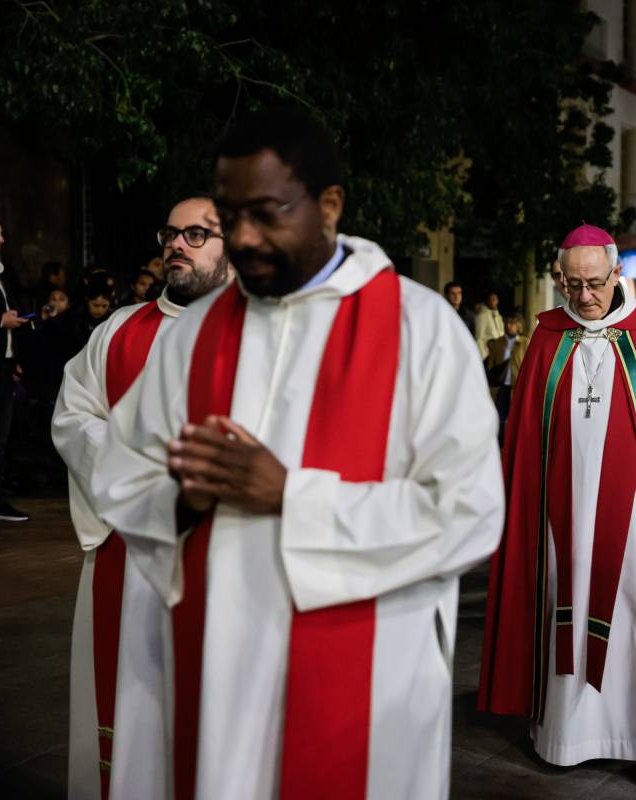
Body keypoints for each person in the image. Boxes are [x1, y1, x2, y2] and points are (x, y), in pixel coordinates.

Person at [90, 107, 503, 799]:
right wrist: (183, 498)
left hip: (362, 681)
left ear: (329, 205)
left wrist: (292, 495)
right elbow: (121, 473)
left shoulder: (419, 329)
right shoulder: (192, 338)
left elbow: (470, 513)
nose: (244, 237)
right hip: (214, 670)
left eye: (267, 212)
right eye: (230, 213)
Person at [479, 223, 636, 787]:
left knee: (633, 611)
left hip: (634, 517)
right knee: (562, 601)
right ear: (560, 279)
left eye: (595, 283)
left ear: (616, 274)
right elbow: (524, 438)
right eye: (571, 285)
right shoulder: (548, 337)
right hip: (559, 516)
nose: (584, 297)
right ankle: (564, 734)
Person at [53, 196, 232, 799]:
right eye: (171, 233)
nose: (176, 244)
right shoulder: (119, 331)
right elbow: (73, 415)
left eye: (196, 234)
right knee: (133, 711)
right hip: (129, 563)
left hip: (231, 565)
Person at [0, 215, 30, 521]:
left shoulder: (0, 276)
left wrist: (12, 356)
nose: (1, 239)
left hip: (3, 367)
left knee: (1, 436)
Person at [485, 313, 528, 443]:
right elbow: (490, 366)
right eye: (507, 323)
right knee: (499, 416)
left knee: (517, 417)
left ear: (518, 326)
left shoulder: (525, 343)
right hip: (500, 387)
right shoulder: (497, 343)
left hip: (518, 386)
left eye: (512, 324)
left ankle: (514, 443)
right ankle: (498, 443)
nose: (509, 326)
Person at [474, 290, 505, 359]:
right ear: (487, 301)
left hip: (498, 352)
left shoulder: (498, 315)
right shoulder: (482, 315)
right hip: (487, 353)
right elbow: (479, 338)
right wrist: (483, 356)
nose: (493, 301)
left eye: (495, 299)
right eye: (491, 299)